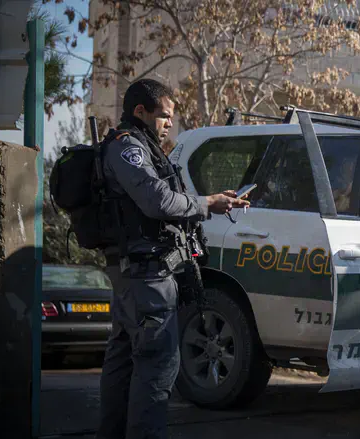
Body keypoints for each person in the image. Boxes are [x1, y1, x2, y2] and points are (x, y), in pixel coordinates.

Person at [96, 79, 249, 439]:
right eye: (163, 116)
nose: (169, 123)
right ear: (140, 111)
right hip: (146, 278)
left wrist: (211, 199)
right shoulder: (127, 147)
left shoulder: (143, 147)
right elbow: (158, 201)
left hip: (141, 276)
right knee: (158, 365)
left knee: (124, 363)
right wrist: (207, 203)